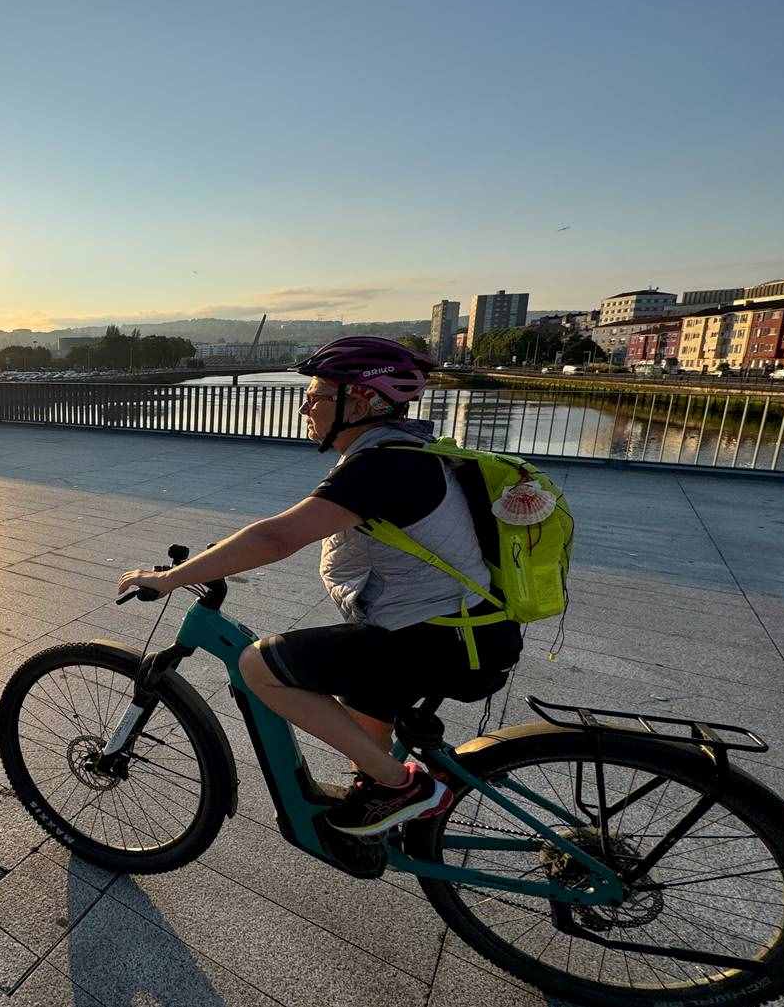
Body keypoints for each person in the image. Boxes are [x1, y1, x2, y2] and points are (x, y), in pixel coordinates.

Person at [118, 337, 522, 837]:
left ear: (362, 401)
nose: (306, 405)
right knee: (360, 688)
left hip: (437, 637)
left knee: (257, 666)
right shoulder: (403, 453)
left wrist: (171, 578)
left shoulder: (384, 465)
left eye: (319, 394)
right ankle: (375, 799)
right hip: (458, 632)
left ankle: (402, 786)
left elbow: (277, 536)